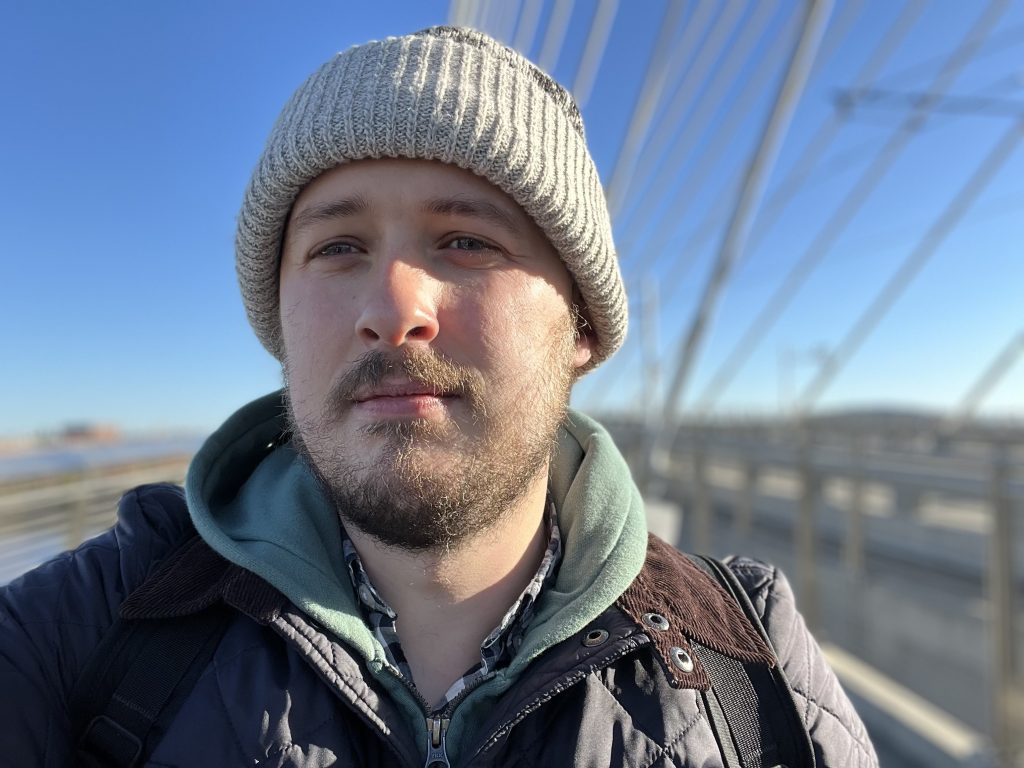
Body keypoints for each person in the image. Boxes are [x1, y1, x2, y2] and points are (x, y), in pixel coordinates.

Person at [1, 26, 878, 767]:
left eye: (465, 240)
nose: (392, 310)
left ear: (582, 329)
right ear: (280, 317)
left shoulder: (747, 665)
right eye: (338, 247)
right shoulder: (87, 636)